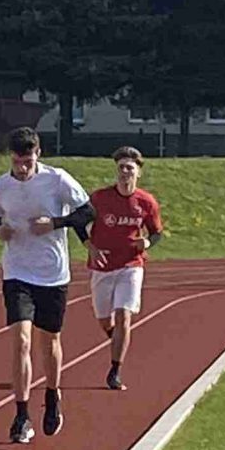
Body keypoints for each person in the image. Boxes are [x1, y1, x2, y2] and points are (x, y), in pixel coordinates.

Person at [0, 126, 91, 443]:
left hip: (52, 273)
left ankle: (53, 395)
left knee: (50, 341)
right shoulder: (0, 186)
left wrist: (55, 223)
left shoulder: (57, 180)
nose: (23, 168)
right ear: (11, 157)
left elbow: (87, 211)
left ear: (38, 154)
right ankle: (21, 415)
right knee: (21, 340)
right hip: (17, 271)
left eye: (28, 161)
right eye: (17, 162)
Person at [85, 144, 164, 389]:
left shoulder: (146, 202)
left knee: (124, 314)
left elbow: (156, 232)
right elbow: (79, 221)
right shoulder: (99, 198)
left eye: (130, 168)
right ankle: (116, 337)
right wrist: (90, 245)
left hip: (131, 265)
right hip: (102, 266)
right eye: (121, 167)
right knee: (104, 319)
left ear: (138, 172)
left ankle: (115, 370)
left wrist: (147, 242)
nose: (125, 172)